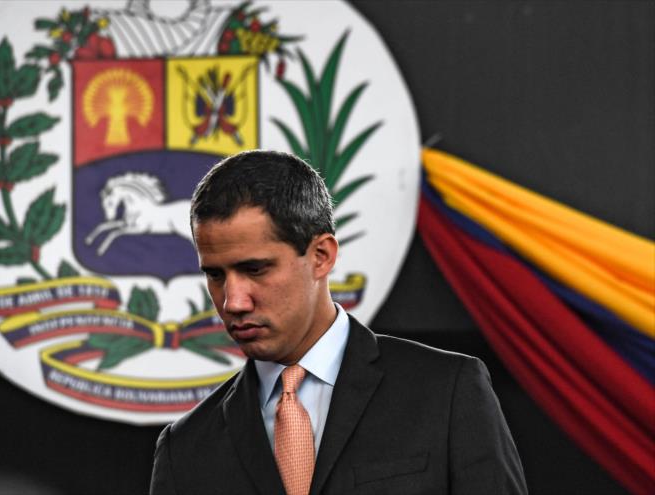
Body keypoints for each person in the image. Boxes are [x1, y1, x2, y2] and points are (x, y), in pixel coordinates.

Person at [150, 150, 527, 495]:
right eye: (215, 275)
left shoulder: (447, 392)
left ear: (321, 255)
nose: (233, 301)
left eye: (255, 269)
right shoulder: (184, 450)